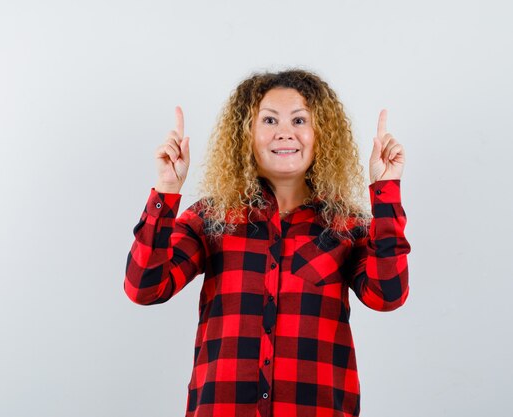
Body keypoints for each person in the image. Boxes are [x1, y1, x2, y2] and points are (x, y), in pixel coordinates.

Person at [124, 68, 410, 417]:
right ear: (246, 135)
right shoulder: (211, 218)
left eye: (300, 120)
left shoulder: (346, 225)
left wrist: (385, 192)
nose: (285, 132)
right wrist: (166, 191)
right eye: (270, 120)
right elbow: (144, 287)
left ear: (321, 134)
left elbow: (388, 295)